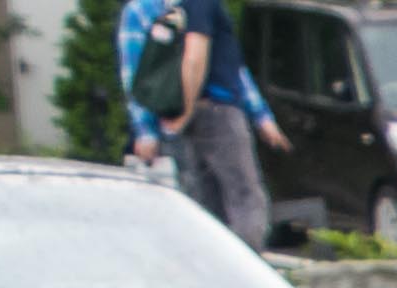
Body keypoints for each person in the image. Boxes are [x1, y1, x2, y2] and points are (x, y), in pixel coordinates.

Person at [124, 0, 290, 250]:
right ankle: (244, 270)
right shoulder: (199, 3)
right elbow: (196, 57)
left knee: (204, 203)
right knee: (244, 197)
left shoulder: (144, 10)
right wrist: (185, 113)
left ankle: (211, 266)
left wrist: (148, 129)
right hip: (216, 112)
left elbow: (135, 75)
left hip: (175, 116)